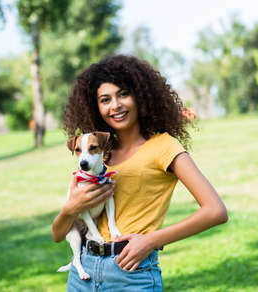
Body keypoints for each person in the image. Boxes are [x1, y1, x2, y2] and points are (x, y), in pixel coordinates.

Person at [51, 55, 228, 291]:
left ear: (141, 96)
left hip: (130, 274)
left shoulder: (164, 147)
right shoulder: (97, 154)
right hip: (82, 272)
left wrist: (152, 241)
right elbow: (56, 234)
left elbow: (215, 211)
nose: (115, 105)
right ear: (97, 107)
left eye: (123, 94)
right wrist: (71, 208)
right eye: (105, 99)